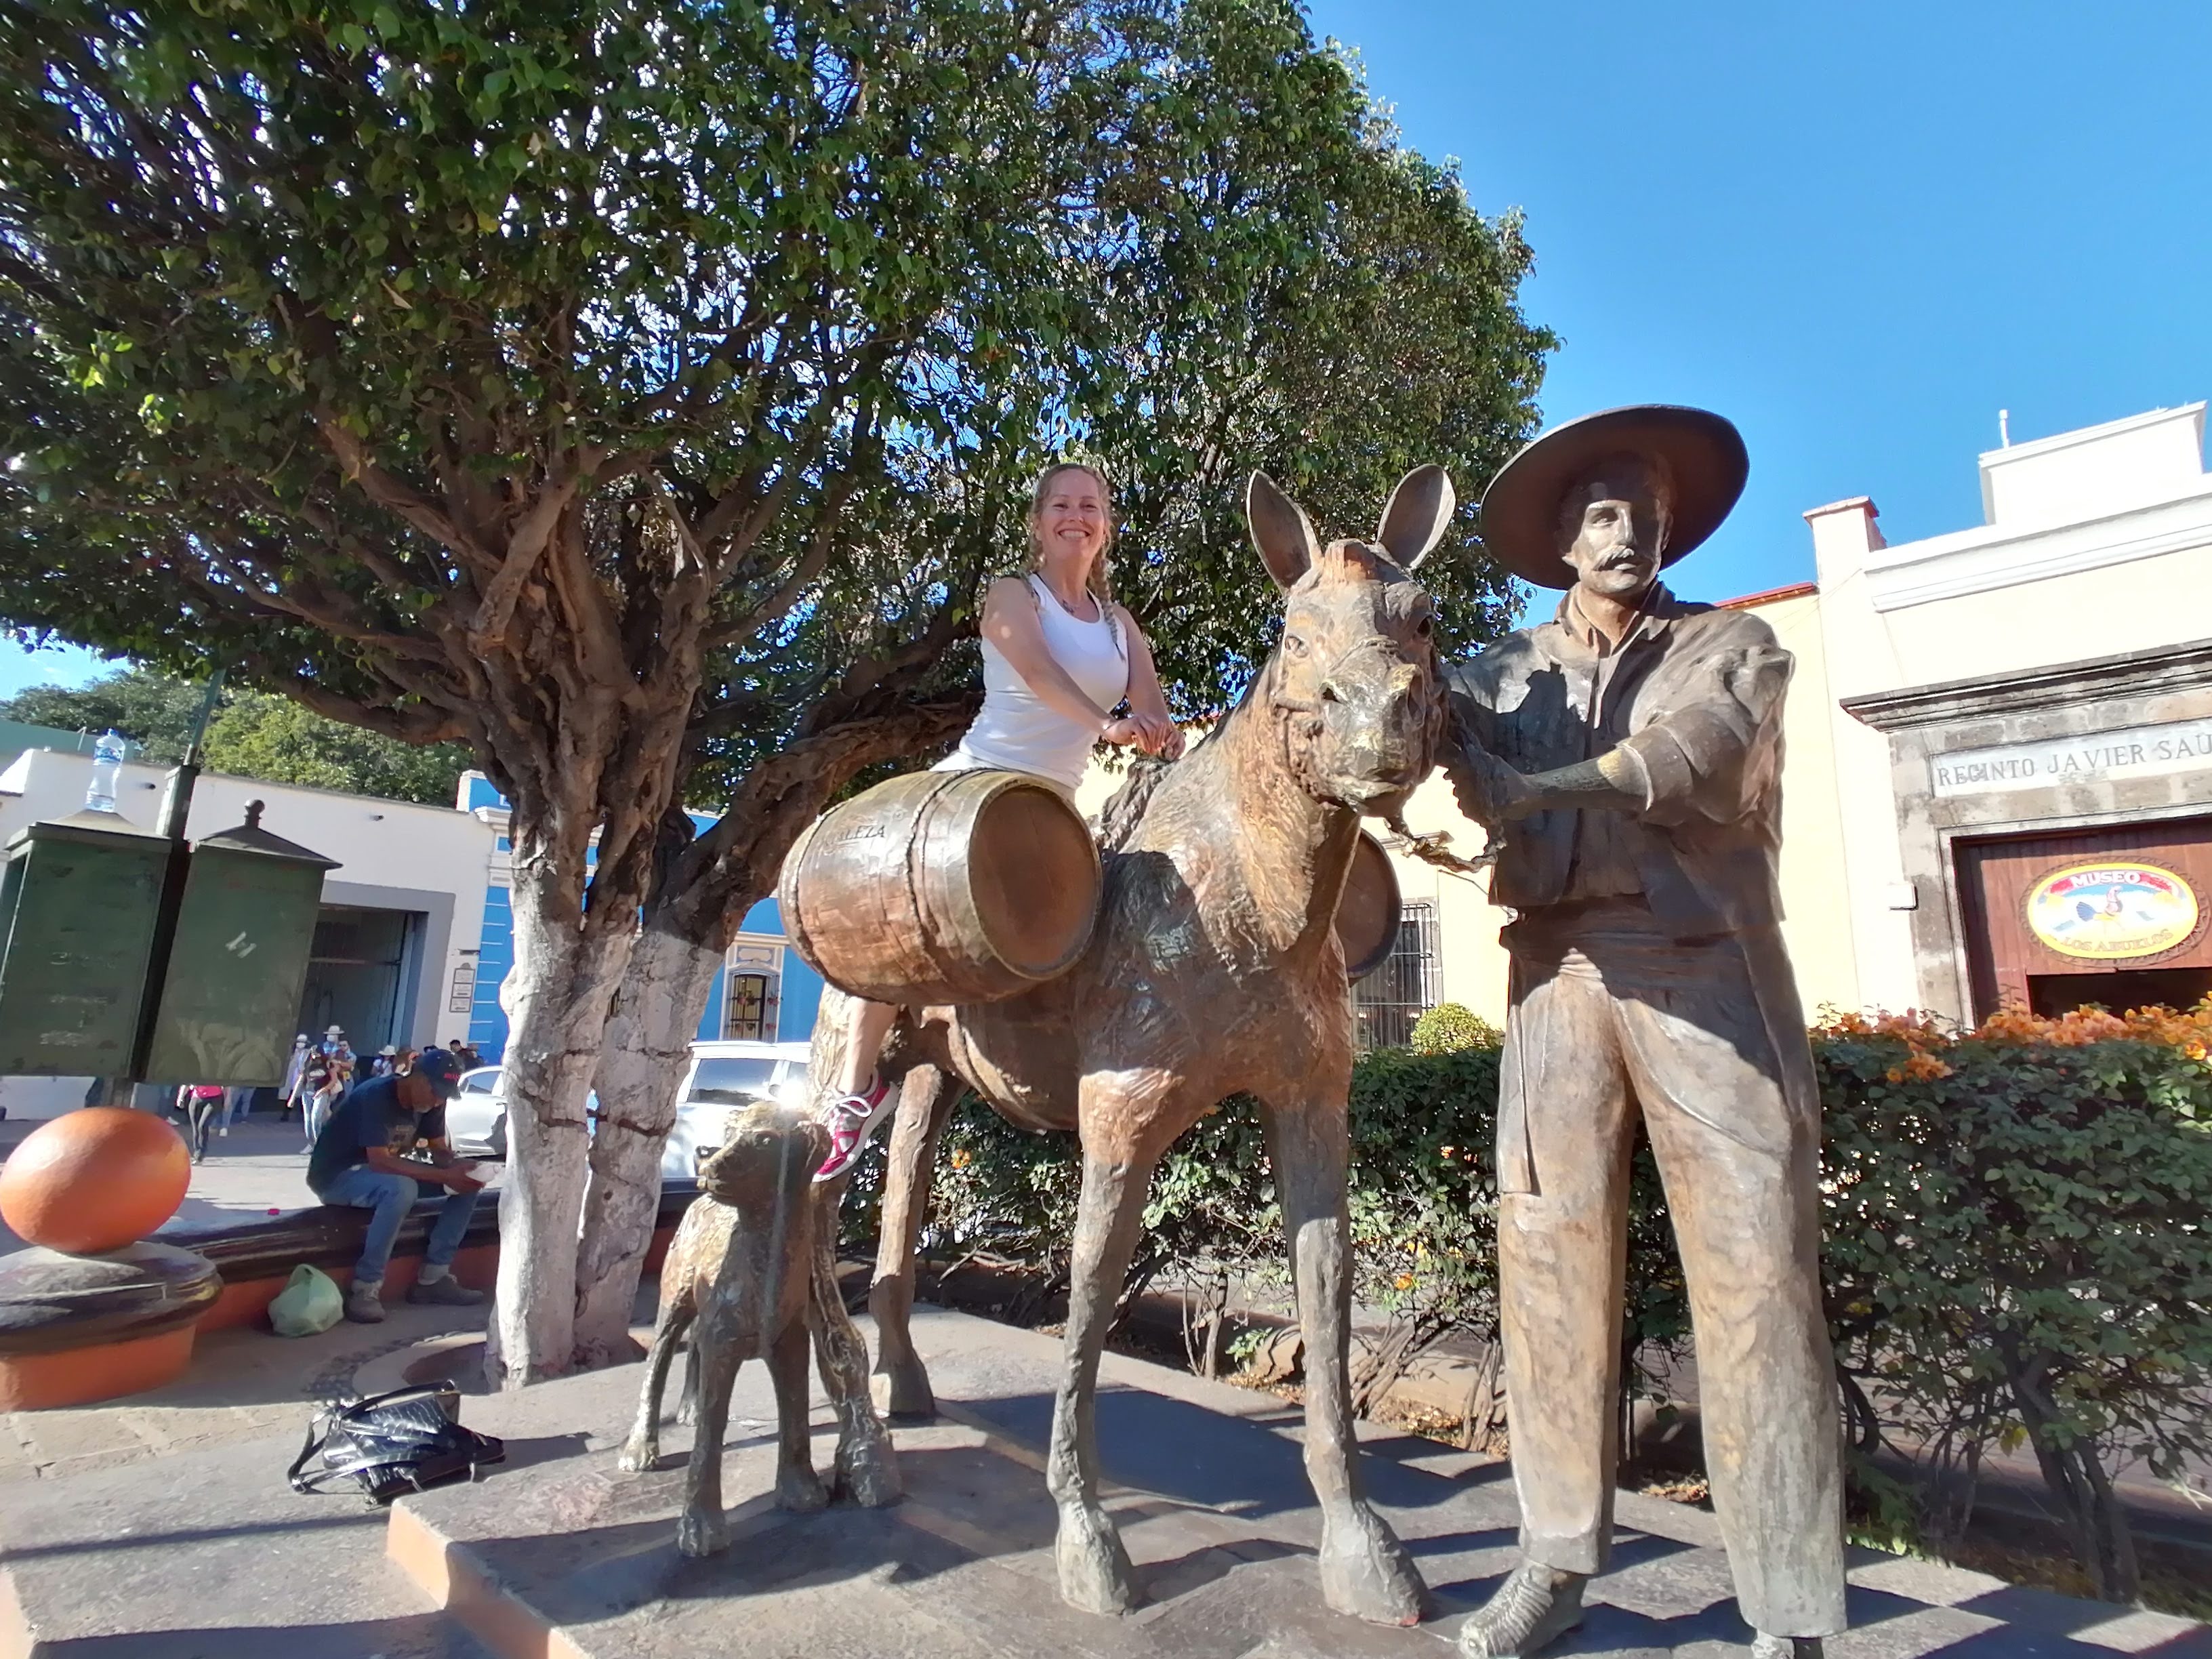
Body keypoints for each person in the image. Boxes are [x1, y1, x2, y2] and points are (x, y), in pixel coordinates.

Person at [1444, 406, 1845, 1659]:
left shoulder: (1734, 644)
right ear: (1564, 537)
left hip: (1706, 969)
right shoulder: (1497, 673)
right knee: (1546, 1263)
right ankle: (1554, 1559)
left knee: (1756, 1276)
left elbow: (1694, 756)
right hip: (1553, 973)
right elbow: (1399, 734)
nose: (1630, 533)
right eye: (1605, 512)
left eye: (1649, 513)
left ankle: (1789, 1610)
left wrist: (1537, 787)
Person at [812, 461, 1185, 1183]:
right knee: (895, 919)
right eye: (1062, 505)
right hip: (973, 783)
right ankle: (855, 1094)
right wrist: (1108, 726)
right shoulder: (1015, 594)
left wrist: (1158, 732)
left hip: (1050, 806)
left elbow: (1151, 705)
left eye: (1090, 506)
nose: (1076, 516)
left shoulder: (1120, 625)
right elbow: (1040, 676)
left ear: (1106, 526)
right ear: (1039, 521)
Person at [306, 1047, 489, 1324]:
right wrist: (445, 1177)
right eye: (435, 1092)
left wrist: (458, 1165)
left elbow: (438, 1151)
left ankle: (434, 1278)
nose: (438, 1101)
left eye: (444, 1095)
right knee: (401, 1189)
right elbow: (380, 1162)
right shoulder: (376, 1096)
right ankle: (365, 1288)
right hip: (337, 1176)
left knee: (468, 1185)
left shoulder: (432, 1104)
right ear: (417, 1078)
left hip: (382, 1173)